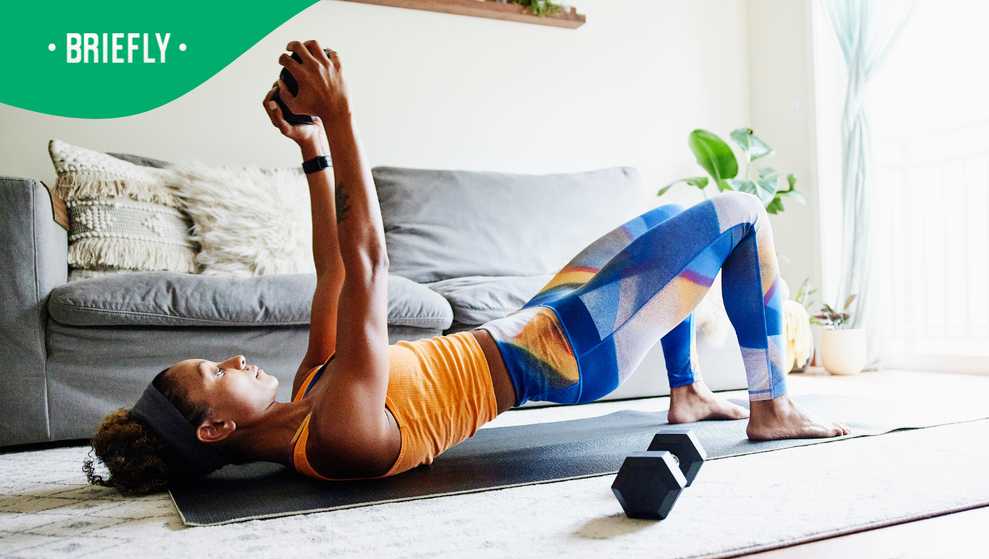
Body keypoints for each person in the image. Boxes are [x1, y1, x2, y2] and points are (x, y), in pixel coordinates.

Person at [83, 40, 849, 494]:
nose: (237, 357)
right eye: (217, 370)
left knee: (663, 220)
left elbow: (334, 275)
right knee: (740, 213)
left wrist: (314, 152)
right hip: (564, 351)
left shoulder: (312, 396)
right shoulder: (336, 437)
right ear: (216, 428)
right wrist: (345, 116)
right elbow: (371, 267)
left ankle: (684, 392)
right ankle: (770, 406)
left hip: (532, 324)